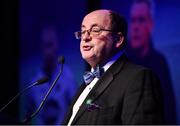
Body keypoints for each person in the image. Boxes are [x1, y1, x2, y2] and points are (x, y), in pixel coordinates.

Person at [63, 9, 164, 125]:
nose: (85, 37)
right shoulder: (85, 85)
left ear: (118, 39)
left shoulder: (138, 78)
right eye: (82, 31)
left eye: (95, 30)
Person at [127, 0, 176, 124]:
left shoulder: (159, 62)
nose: (136, 26)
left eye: (141, 20)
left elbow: (169, 109)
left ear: (150, 24)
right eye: (133, 20)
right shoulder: (119, 59)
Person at [21, 24, 78, 124]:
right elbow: (26, 116)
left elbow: (76, 110)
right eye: (45, 45)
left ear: (57, 45)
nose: (48, 51)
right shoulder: (34, 82)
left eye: (50, 44)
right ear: (39, 48)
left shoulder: (68, 77)